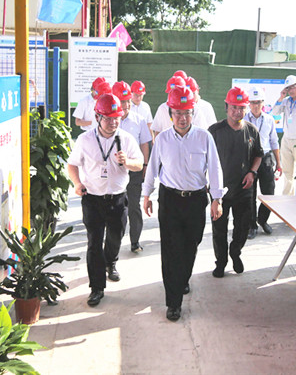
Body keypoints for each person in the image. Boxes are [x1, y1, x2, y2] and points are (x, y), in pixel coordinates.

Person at [142, 85, 224, 322]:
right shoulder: (163, 139)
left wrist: (216, 199)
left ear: (193, 113)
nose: (182, 118)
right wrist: (146, 195)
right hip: (169, 200)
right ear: (170, 114)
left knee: (191, 245)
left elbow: (215, 169)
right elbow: (152, 168)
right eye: (177, 113)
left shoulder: (204, 137)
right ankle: (173, 302)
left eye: (187, 113)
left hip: (196, 200)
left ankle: (182, 278)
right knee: (170, 250)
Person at [67, 93, 144, 307]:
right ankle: (97, 287)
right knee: (94, 242)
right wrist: (77, 183)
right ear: (97, 117)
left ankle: (111, 261)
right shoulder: (85, 140)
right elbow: (72, 164)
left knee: (116, 236)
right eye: (108, 118)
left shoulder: (126, 139)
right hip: (92, 199)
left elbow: (139, 164)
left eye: (116, 118)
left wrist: (127, 162)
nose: (113, 122)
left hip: (117, 199)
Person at [208, 87, 263, 278]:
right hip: (219, 191)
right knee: (219, 229)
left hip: (244, 189)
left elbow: (258, 155)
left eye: (241, 108)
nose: (237, 112)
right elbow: (203, 158)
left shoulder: (251, 130)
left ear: (246, 108)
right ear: (226, 107)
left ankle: (235, 252)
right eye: (233, 107)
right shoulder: (214, 131)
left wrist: (252, 172)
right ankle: (221, 262)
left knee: (243, 226)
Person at [112, 81, 152, 253]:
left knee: (134, 206)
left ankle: (135, 241)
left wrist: (145, 165)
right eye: (122, 101)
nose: (126, 105)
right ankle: (114, 242)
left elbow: (145, 144)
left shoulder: (139, 120)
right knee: (115, 208)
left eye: (128, 101)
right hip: (113, 171)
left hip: (134, 170)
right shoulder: (109, 121)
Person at [245, 87, 281, 239]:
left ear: (263, 103)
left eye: (258, 102)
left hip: (265, 159)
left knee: (269, 193)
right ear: (249, 103)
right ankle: (251, 225)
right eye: (253, 102)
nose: (256, 106)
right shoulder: (243, 119)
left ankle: (263, 219)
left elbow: (274, 141)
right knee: (249, 194)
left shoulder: (269, 119)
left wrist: (278, 163)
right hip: (249, 159)